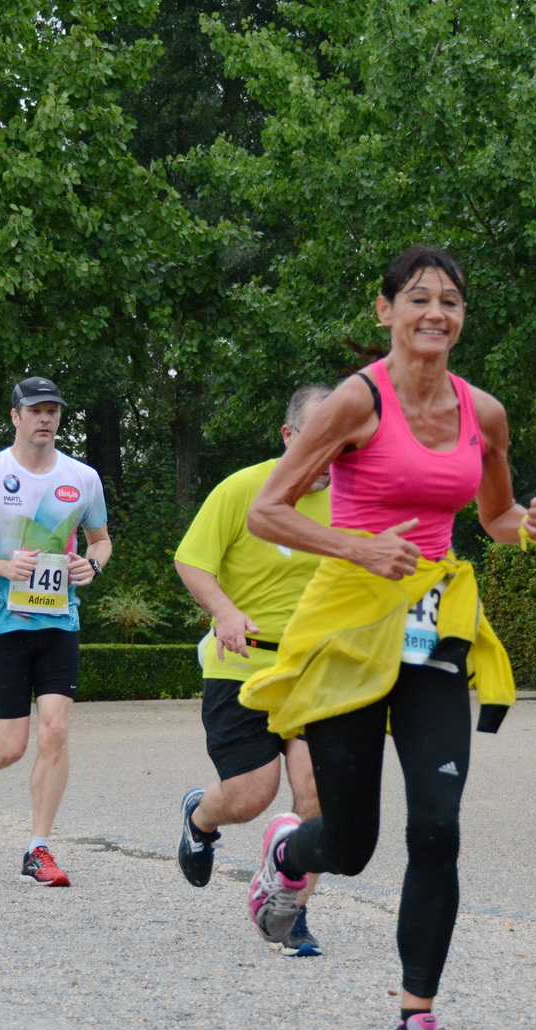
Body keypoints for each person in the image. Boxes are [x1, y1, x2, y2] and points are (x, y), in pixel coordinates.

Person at [237, 244, 536, 1030]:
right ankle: (291, 852)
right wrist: (354, 545)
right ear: (385, 311)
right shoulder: (355, 399)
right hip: (350, 625)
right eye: (418, 298)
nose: (436, 314)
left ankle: (417, 1026)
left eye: (450, 301)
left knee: (437, 828)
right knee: (352, 842)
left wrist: (527, 523)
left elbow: (492, 516)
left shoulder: (482, 412)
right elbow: (271, 511)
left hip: (434, 636)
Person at [172, 384, 334, 957]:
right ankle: (200, 816)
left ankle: (292, 910)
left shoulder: (353, 502)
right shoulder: (243, 489)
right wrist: (225, 611)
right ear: (290, 437)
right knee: (248, 797)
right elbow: (191, 560)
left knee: (316, 789)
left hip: (315, 670)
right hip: (241, 665)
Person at [0, 377, 111, 886]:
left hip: (60, 621)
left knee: (55, 731)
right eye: (35, 410)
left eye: (53, 410)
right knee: (11, 746)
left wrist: (92, 567)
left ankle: (39, 849)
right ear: (14, 416)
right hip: (2, 623)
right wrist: (0, 567)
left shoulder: (83, 478)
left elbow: (101, 542)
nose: (45, 418)